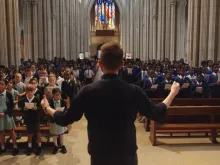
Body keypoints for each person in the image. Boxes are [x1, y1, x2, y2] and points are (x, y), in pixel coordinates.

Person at [41, 42, 180, 165]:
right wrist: (172, 93)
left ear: (100, 64)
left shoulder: (88, 91)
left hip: (100, 154)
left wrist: (47, 107)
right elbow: (157, 112)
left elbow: (66, 118)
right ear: (122, 64)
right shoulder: (133, 91)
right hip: (126, 154)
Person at [18, 84, 42, 156]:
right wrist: (23, 109)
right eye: (28, 91)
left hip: (36, 118)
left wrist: (36, 108)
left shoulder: (37, 99)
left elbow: (40, 108)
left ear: (34, 91)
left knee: (37, 132)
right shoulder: (24, 100)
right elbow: (21, 109)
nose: (30, 93)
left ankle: (39, 146)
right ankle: (29, 147)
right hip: (28, 119)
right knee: (30, 133)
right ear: (26, 92)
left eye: (31, 91)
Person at [0, 78, 19, 156]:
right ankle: (3, 147)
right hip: (0, 117)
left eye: (2, 84)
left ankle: (15, 147)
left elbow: (11, 106)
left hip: (7, 115)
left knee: (11, 131)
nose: (0, 86)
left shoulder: (8, 94)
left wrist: (4, 113)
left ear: (5, 85)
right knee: (1, 132)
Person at [49, 88, 70, 154]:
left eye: (59, 95)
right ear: (53, 95)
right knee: (54, 134)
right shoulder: (51, 101)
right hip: (53, 120)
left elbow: (66, 110)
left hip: (61, 119)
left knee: (61, 133)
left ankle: (62, 145)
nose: (58, 96)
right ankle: (55, 146)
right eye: (56, 95)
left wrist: (65, 108)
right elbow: (48, 110)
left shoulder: (62, 101)